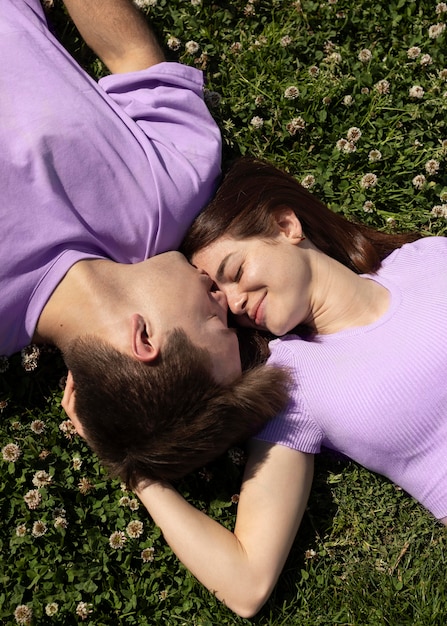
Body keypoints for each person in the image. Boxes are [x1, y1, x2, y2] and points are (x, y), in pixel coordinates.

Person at [123, 156, 446, 619]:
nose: (234, 301)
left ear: (285, 224)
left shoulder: (427, 257)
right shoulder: (295, 380)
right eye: (221, 298)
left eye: (234, 271)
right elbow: (247, 584)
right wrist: (138, 473)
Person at [2, 1, 291, 477]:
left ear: (143, 338)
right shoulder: (174, 190)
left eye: (217, 323)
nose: (226, 301)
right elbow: (131, 51)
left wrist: (134, 467)